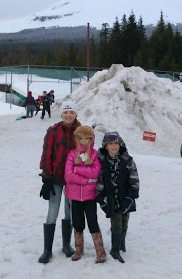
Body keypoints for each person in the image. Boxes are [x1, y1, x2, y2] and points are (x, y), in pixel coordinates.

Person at [38, 100, 81, 264]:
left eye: (71, 113)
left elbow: (85, 153)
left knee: (69, 212)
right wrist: (47, 178)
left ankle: (66, 245)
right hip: (55, 178)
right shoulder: (53, 131)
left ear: (76, 114)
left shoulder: (80, 131)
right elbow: (46, 155)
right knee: (52, 212)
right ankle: (47, 250)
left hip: (72, 180)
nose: (68, 115)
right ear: (61, 114)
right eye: (65, 112)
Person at [96, 131, 140, 263]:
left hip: (126, 198)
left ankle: (121, 244)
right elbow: (99, 182)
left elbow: (134, 179)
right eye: (110, 144)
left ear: (120, 144)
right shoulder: (102, 162)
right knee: (116, 225)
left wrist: (130, 197)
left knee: (125, 222)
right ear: (105, 146)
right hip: (111, 199)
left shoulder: (127, 160)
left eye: (116, 143)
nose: (114, 146)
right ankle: (114, 250)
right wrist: (101, 200)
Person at [64, 125, 106, 263]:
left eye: (87, 139)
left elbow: (96, 172)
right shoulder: (72, 154)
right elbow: (68, 175)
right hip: (75, 196)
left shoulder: (94, 154)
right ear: (76, 138)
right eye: (81, 138)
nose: (83, 141)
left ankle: (100, 252)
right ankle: (78, 250)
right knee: (77, 223)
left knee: (93, 222)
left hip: (90, 196)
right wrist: (87, 179)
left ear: (91, 139)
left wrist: (78, 169)